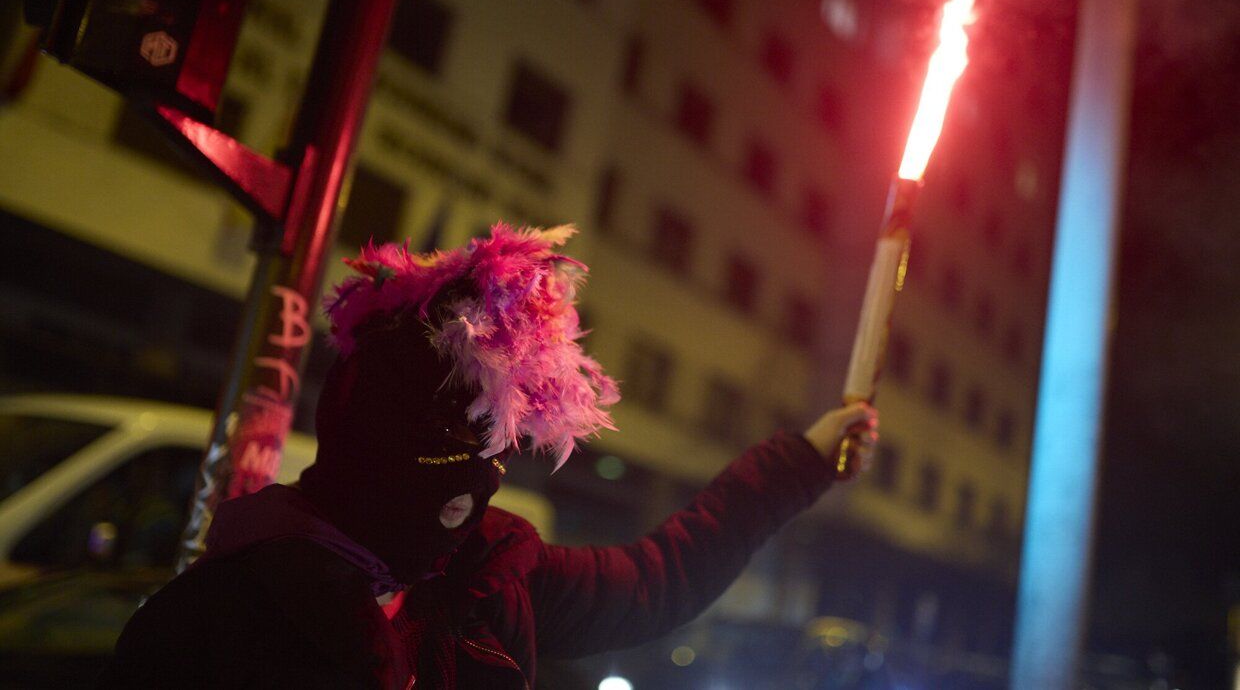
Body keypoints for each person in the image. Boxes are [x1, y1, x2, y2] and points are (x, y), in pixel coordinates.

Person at [99, 224, 878, 689]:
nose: (473, 487)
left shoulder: (489, 578)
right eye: (445, 441)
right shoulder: (211, 623)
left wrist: (801, 463)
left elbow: (660, 579)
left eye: (493, 441)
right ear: (368, 437)